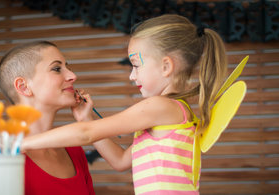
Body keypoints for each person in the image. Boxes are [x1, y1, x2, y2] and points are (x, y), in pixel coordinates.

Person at [21, 14, 228, 195]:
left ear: (166, 66)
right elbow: (120, 161)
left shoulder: (161, 107)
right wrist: (86, 117)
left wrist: (25, 143)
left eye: (136, 66)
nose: (131, 76)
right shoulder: (172, 114)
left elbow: (86, 133)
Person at [0, 41, 95, 195]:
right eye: (57, 69)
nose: (72, 76)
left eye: (68, 67)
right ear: (24, 87)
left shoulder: (74, 150)